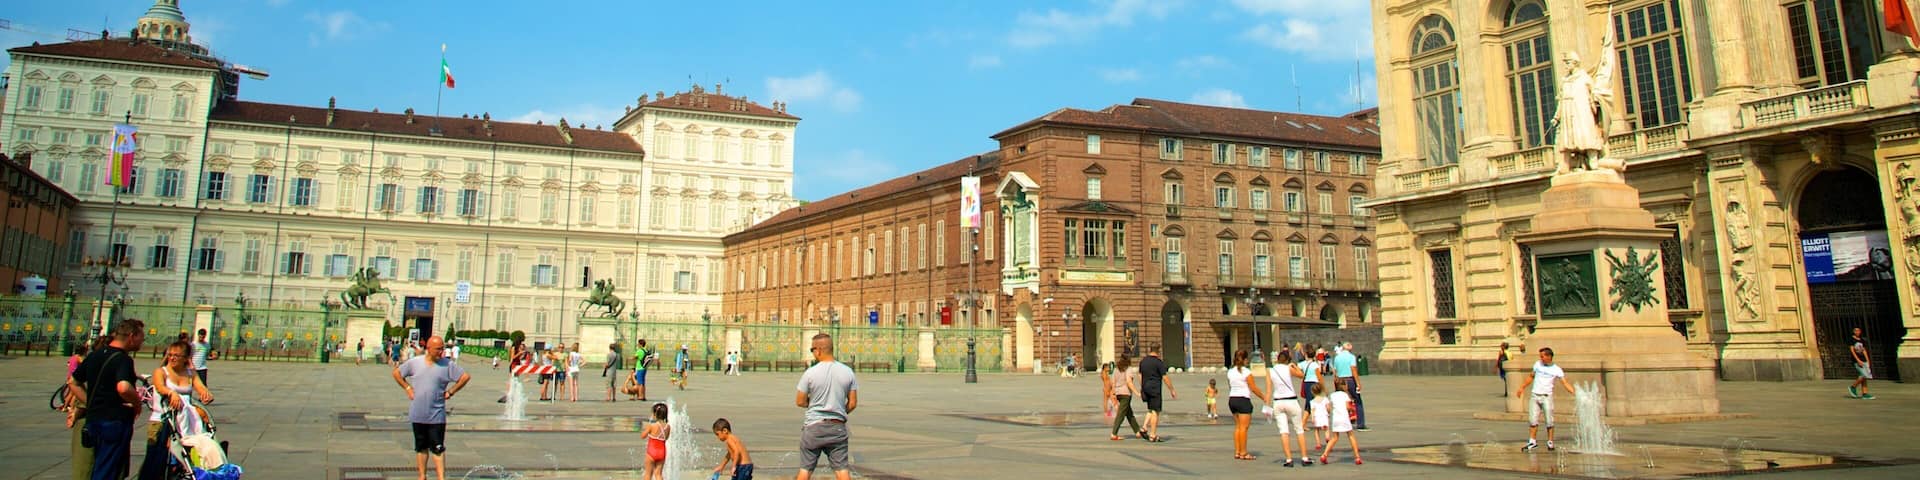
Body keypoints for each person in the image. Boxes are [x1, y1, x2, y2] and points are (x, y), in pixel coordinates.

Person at [69, 318, 148, 480]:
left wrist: (90, 403)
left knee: (96, 465)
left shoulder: (95, 355)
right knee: (107, 470)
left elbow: (73, 382)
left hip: (93, 420)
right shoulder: (123, 359)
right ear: (132, 336)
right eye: (141, 337)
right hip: (114, 421)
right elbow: (123, 387)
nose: (142, 341)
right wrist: (137, 403)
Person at [393, 336, 471, 480]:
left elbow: (465, 377)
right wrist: (408, 388)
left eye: (442, 348)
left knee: (438, 448)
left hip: (437, 414)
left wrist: (450, 392)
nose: (441, 352)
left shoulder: (447, 365)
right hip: (418, 413)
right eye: (438, 349)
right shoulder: (415, 363)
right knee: (421, 447)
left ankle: (441, 478)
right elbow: (397, 373)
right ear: (428, 349)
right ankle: (422, 476)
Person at [139, 339, 215, 480]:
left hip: (184, 422)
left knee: (182, 459)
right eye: (170, 354)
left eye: (176, 355)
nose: (172, 358)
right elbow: (160, 386)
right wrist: (171, 392)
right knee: (155, 460)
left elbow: (200, 387)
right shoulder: (161, 372)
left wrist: (206, 393)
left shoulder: (190, 373)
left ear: (186, 358)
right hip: (161, 421)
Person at [795, 333, 858, 480]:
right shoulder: (848, 372)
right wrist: (840, 410)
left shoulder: (810, 373)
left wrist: (814, 403)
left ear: (818, 350)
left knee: (805, 470)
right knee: (842, 471)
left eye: (812, 350)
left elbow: (800, 401)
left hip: (814, 427)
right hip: (837, 427)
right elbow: (853, 403)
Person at [1515, 347, 1575, 451]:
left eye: (1542, 356)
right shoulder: (1537, 364)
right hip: (1535, 395)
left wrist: (1574, 392)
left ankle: (1550, 442)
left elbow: (1564, 382)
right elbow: (1531, 376)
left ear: (1549, 356)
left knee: (1549, 420)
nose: (1541, 359)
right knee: (1533, 420)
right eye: (1540, 357)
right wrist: (1522, 387)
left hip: (1547, 396)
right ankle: (1532, 441)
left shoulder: (1556, 369)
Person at [1264, 350, 1311, 467]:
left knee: (1284, 432)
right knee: (1299, 429)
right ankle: (1304, 458)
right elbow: (1302, 375)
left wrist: (1266, 405)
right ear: (1288, 360)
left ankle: (1289, 459)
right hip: (1291, 400)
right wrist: (1294, 366)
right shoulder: (1288, 368)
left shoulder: (1270, 371)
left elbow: (1269, 390)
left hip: (1278, 402)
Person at [1226, 349, 1267, 461]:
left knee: (1238, 427)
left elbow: (1230, 385)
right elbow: (1253, 388)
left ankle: (1237, 451)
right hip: (1243, 400)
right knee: (1244, 428)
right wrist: (1264, 397)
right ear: (1244, 359)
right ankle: (1244, 452)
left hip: (1232, 399)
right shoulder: (1246, 372)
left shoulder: (1230, 372)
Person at [1317, 380, 1363, 465]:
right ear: (1343, 386)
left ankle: (1324, 455)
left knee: (1334, 437)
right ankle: (1357, 457)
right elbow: (1348, 407)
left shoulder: (1332, 395)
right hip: (1344, 418)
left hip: (1336, 419)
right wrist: (1353, 409)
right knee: (1351, 435)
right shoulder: (1345, 395)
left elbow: (1329, 408)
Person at [1138, 348, 1174, 442]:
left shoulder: (1143, 361)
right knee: (1155, 411)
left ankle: (1144, 428)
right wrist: (1171, 389)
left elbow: (1140, 375)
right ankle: (1153, 435)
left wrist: (1142, 387)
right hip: (1155, 389)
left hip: (1145, 388)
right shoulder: (1159, 362)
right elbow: (1165, 377)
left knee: (1150, 409)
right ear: (1158, 351)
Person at [1331, 342, 1367, 430]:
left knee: (1342, 402)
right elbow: (1353, 369)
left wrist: (1335, 381)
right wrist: (1358, 383)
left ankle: (1343, 422)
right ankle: (1360, 424)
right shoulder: (1351, 357)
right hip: (1350, 380)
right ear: (1350, 349)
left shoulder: (1337, 357)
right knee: (1358, 401)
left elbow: (1334, 371)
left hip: (1340, 380)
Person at [1108, 355, 1143, 441]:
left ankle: (1137, 431)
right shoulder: (1128, 369)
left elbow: (1113, 381)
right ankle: (1114, 433)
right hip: (1126, 394)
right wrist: (1137, 392)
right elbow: (1129, 382)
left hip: (1118, 393)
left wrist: (1113, 392)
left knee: (1129, 413)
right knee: (1121, 414)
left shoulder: (1116, 369)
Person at [641, 402, 670, 480]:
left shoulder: (652, 426)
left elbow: (642, 436)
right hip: (662, 452)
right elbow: (666, 438)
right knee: (658, 474)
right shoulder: (668, 427)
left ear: (655, 414)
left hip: (651, 452)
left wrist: (645, 429)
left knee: (648, 474)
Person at [1850, 328, 1876, 399]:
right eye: (1856, 330)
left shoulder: (1862, 340)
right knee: (1863, 375)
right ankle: (1853, 387)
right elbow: (1852, 351)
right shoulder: (1851, 339)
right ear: (1853, 332)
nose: (1857, 332)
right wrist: (1858, 360)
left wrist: (1868, 361)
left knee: (1865, 377)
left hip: (1863, 360)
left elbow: (1864, 351)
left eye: (1858, 330)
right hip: (1857, 360)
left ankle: (1865, 393)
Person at [1307, 382, 1332, 453]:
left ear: (1312, 392)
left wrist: (1312, 418)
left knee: (1316, 430)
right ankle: (1327, 438)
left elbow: (1312, 410)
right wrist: (1328, 411)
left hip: (1317, 416)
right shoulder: (1325, 399)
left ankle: (1318, 443)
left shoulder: (1312, 401)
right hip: (1324, 415)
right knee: (1326, 429)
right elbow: (1328, 407)